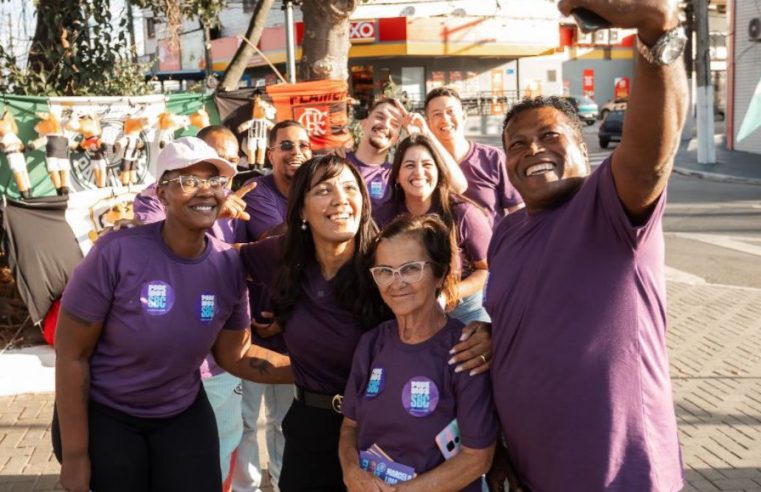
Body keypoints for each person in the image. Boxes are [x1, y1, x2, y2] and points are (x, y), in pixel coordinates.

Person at [485, 1, 688, 490]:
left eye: (549, 135)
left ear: (583, 149)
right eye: (516, 143)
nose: (532, 149)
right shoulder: (506, 233)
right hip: (533, 471)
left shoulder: (608, 206)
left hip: (622, 475)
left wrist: (657, 32)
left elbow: (650, 158)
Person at [53, 137, 293, 492]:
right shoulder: (116, 252)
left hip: (180, 411)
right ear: (161, 193)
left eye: (215, 182)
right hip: (107, 412)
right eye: (188, 181)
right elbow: (72, 355)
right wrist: (75, 457)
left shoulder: (228, 264)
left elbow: (235, 354)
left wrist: (312, 372)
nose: (205, 192)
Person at [239, 155, 491, 491]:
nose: (340, 199)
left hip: (393, 435)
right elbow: (219, 260)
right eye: (324, 190)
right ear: (301, 209)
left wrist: (487, 334)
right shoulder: (285, 257)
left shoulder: (385, 261)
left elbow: (432, 321)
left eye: (349, 187)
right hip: (314, 429)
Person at [131, 126, 254, 487]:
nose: (211, 182)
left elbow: (241, 266)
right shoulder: (151, 204)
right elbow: (166, 242)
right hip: (167, 370)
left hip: (219, 368)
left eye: (221, 171)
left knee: (222, 450)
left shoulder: (233, 202)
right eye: (195, 175)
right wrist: (213, 210)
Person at [339, 214, 498, 492]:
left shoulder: (467, 349)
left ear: (439, 274)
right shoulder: (372, 344)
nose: (396, 283)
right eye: (384, 271)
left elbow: (477, 458)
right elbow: (349, 428)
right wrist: (352, 471)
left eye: (410, 268)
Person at [234, 120, 313, 492]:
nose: (295, 152)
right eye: (286, 146)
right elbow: (275, 240)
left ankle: (284, 483)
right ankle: (247, 487)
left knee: (288, 423)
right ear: (270, 154)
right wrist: (312, 223)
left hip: (294, 329)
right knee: (248, 424)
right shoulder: (259, 192)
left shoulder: (316, 190)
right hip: (250, 330)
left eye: (302, 145)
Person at [375, 135, 492, 324]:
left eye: (427, 165)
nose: (419, 172)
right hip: (403, 310)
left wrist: (449, 293)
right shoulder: (383, 216)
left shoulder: (463, 212)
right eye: (410, 165)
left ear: (439, 171)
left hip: (462, 311)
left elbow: (486, 269)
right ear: (397, 175)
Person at [347, 98, 467, 212]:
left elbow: (459, 187)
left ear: (396, 138)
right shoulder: (337, 162)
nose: (386, 125)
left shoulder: (397, 175)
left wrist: (424, 134)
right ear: (364, 122)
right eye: (379, 117)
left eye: (394, 124)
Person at [425, 87, 523, 225]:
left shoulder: (493, 158)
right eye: (437, 114)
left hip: (492, 245)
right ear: (427, 123)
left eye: (450, 112)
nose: (445, 119)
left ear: (464, 117)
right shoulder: (425, 165)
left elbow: (517, 211)